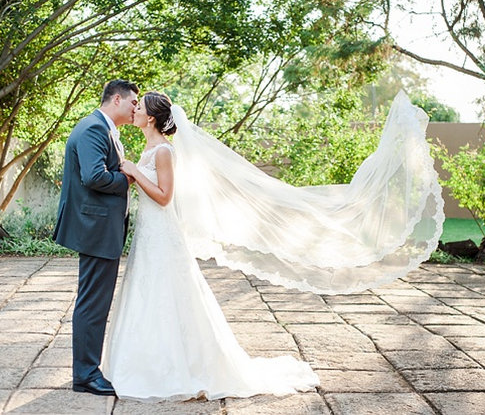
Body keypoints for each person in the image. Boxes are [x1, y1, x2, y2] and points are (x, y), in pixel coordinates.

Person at [101, 91, 320, 400]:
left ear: (151, 118)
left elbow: (164, 197)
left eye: (140, 108)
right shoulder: (149, 147)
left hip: (162, 234)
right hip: (148, 235)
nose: (134, 110)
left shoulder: (164, 151)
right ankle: (143, 364)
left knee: (168, 295)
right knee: (147, 294)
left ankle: (181, 369)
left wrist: (135, 172)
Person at [53, 79, 139, 396]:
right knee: (92, 303)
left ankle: (87, 370)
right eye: (133, 103)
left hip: (100, 227)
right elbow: (94, 176)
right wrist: (128, 178)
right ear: (116, 99)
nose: (135, 109)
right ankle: (86, 374)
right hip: (96, 228)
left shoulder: (101, 128)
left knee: (95, 302)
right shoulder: (93, 129)